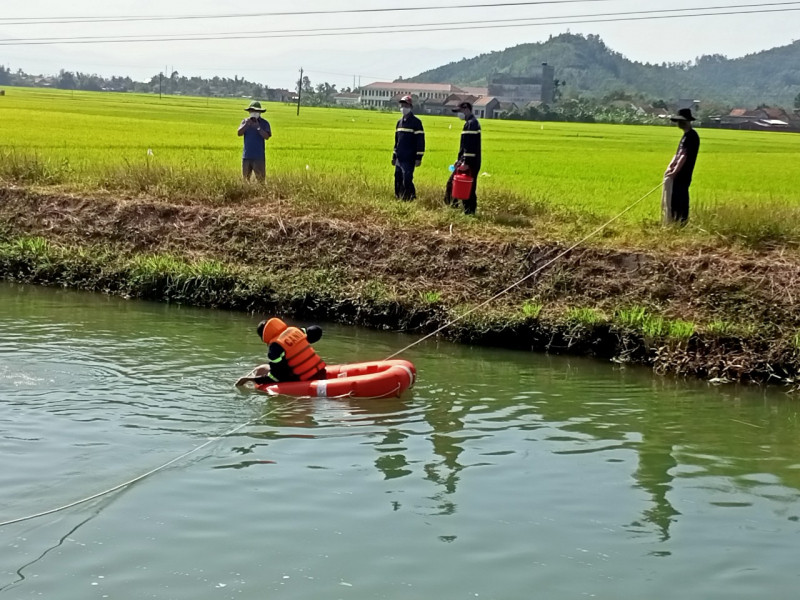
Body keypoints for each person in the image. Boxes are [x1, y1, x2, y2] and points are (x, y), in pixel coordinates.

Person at [238, 318, 326, 386]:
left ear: (263, 337)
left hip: (304, 379)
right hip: (321, 372)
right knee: (262, 368)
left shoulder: (274, 348)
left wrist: (250, 379)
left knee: (264, 374)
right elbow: (316, 330)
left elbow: (276, 377)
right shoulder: (295, 330)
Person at [444, 101, 482, 215]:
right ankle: (462, 210)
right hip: (469, 160)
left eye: (459, 111)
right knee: (463, 185)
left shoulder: (471, 124)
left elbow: (470, 146)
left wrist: (465, 162)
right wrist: (459, 159)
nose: (458, 114)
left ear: (466, 109)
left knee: (461, 185)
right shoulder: (471, 123)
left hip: (470, 162)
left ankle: (466, 211)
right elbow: (465, 146)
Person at [664, 107, 700, 225]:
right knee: (673, 199)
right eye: (678, 121)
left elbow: (684, 156)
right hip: (677, 174)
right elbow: (677, 154)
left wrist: (675, 171)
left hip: (683, 174)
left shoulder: (692, 136)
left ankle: (681, 223)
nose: (679, 123)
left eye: (682, 121)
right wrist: (670, 167)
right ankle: (673, 222)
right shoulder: (685, 136)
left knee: (681, 199)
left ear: (687, 121)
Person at [392, 95, 425, 201]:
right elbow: (397, 141)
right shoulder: (399, 123)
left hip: (410, 157)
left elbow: (420, 141)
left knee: (407, 178)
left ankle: (410, 198)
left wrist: (419, 158)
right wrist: (394, 156)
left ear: (410, 106)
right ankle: (399, 197)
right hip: (399, 157)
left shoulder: (416, 122)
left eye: (405, 105)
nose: (403, 108)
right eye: (402, 105)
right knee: (398, 177)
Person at [237, 101, 272, 183]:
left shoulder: (264, 123)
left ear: (260, 112)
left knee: (261, 181)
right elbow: (239, 133)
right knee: (245, 180)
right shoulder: (245, 121)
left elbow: (267, 136)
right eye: (252, 111)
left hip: (259, 157)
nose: (254, 113)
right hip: (246, 156)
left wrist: (258, 127)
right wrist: (246, 125)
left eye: (256, 111)